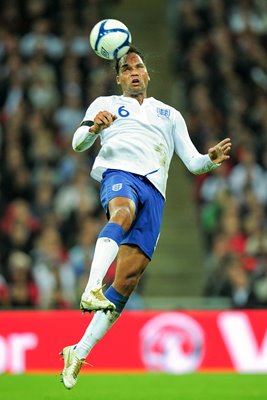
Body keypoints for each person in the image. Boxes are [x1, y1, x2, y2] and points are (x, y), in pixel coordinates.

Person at [60, 46, 231, 389]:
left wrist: (210, 159)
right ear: (119, 77)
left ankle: (78, 351)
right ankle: (92, 286)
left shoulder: (170, 115)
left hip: (155, 193)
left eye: (140, 66)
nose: (135, 71)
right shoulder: (104, 104)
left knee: (126, 281)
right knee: (122, 211)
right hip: (120, 174)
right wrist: (94, 128)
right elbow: (78, 143)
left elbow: (194, 163)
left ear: (147, 75)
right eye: (128, 68)